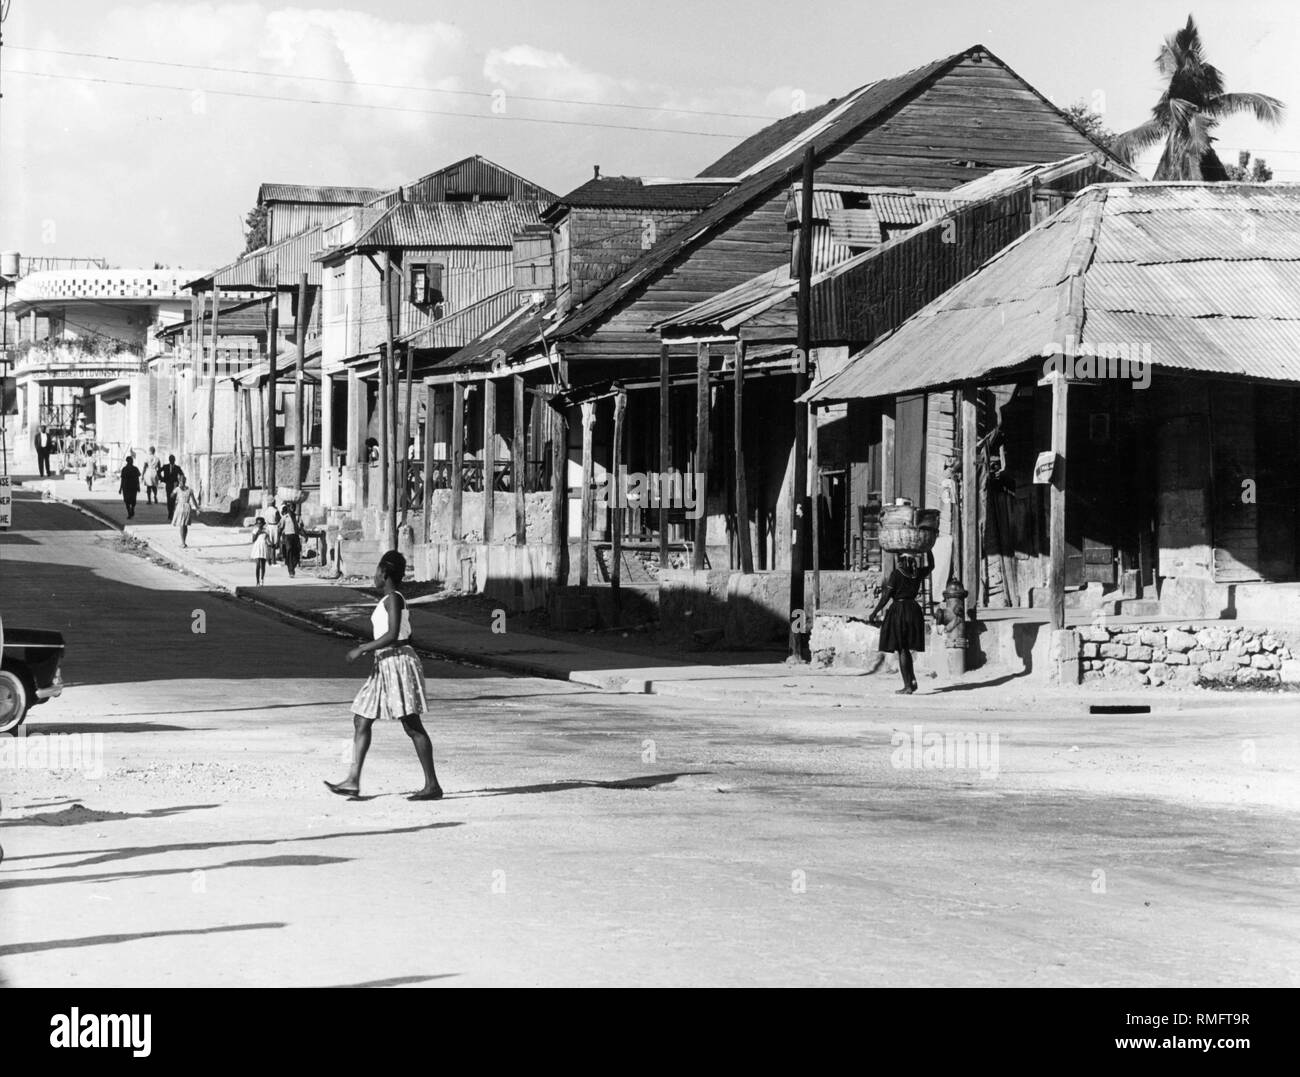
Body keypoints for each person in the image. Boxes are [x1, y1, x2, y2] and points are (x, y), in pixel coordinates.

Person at [326, 550, 442, 801]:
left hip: (398, 663)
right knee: (361, 718)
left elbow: (392, 635)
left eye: (377, 570)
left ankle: (432, 785)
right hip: (385, 663)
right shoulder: (389, 599)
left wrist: (362, 648)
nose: (374, 575)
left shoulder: (393, 599)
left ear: (385, 573)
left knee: (412, 726)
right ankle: (352, 780)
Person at [868, 549, 934, 695]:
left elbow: (886, 596)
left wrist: (875, 611)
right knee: (905, 648)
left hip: (900, 611)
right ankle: (912, 680)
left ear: (902, 560)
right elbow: (932, 566)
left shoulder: (897, 574)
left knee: (902, 648)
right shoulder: (916, 574)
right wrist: (928, 550)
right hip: (914, 610)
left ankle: (907, 686)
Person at [172, 476, 200, 548]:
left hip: (180, 507)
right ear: (185, 481)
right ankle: (184, 542)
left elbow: (171, 496)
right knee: (185, 525)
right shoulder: (190, 490)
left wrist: (174, 487)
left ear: (179, 481)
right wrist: (197, 509)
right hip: (187, 507)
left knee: (182, 525)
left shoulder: (177, 489)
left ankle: (183, 543)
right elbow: (194, 500)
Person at [279, 500, 301, 578]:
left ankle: (293, 565)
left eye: (294, 507)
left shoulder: (297, 517)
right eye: (291, 507)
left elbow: (300, 527)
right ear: (289, 508)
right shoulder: (285, 517)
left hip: (296, 536)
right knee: (289, 551)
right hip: (288, 536)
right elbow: (281, 527)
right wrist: (279, 538)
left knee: (297, 553)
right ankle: (291, 570)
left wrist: (305, 535)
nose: (293, 509)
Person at [118, 454, 142, 519]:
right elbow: (122, 479)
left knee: (130, 500)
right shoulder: (127, 469)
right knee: (128, 500)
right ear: (128, 461)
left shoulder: (129, 469)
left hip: (128, 487)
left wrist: (121, 488)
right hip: (130, 486)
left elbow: (137, 478)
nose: (131, 462)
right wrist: (120, 488)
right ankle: (130, 512)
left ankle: (131, 510)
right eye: (130, 461)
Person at [250, 518, 270, 585]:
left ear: (263, 523)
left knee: (263, 565)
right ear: (256, 524)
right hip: (257, 547)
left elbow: (267, 539)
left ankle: (262, 579)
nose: (259, 525)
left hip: (264, 546)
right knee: (258, 565)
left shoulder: (266, 530)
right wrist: (258, 533)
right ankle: (257, 581)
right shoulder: (255, 530)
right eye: (258, 523)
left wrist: (271, 543)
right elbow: (253, 540)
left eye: (261, 523)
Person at [259, 497, 280, 565]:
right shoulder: (275, 511)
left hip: (268, 526)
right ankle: (273, 560)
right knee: (273, 544)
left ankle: (268, 561)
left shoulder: (266, 510)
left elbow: (265, 520)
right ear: (273, 502)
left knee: (268, 544)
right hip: (274, 526)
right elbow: (278, 519)